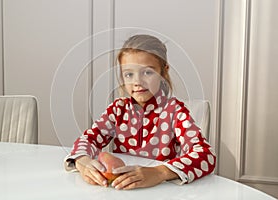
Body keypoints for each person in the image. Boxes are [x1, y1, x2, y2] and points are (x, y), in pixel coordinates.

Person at [64, 34, 216, 190]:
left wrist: (160, 172)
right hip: (121, 191)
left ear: (164, 72)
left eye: (148, 72)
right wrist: (82, 161)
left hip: (162, 193)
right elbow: (88, 140)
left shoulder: (175, 112)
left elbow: (206, 156)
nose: (137, 82)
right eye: (129, 74)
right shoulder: (117, 110)